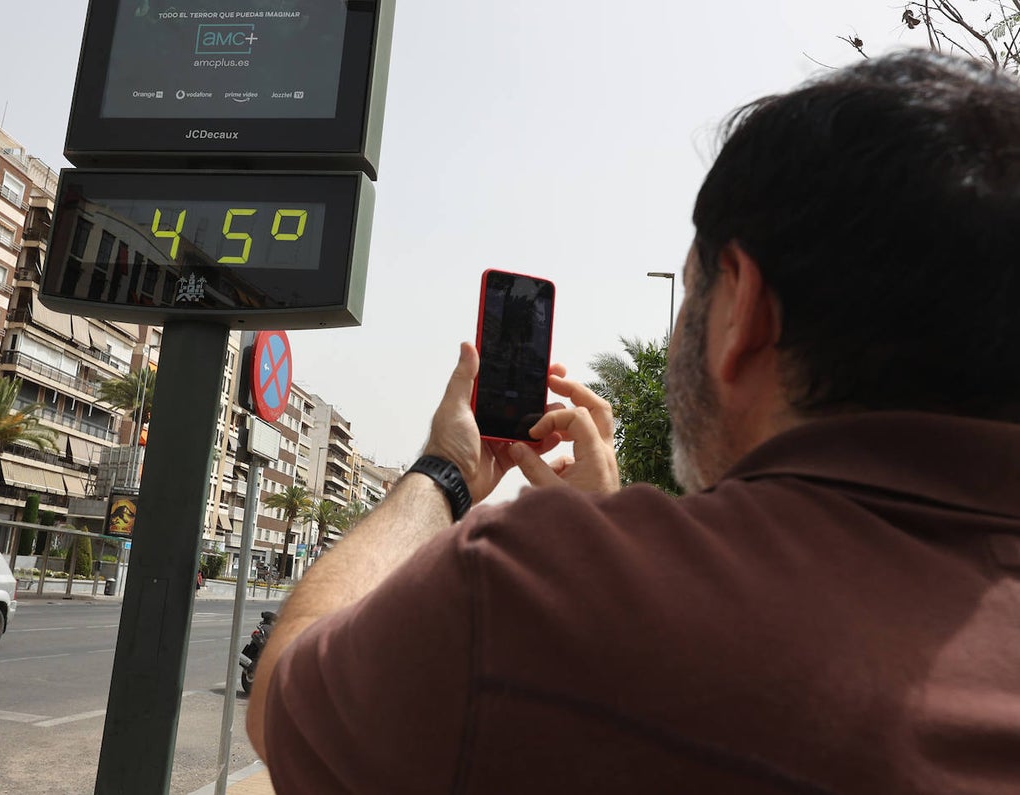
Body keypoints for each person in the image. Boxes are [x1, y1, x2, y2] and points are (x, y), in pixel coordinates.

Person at [246, 50, 1020, 793]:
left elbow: (283, 701)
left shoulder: (525, 593)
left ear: (742, 308)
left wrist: (444, 476)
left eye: (692, 293)